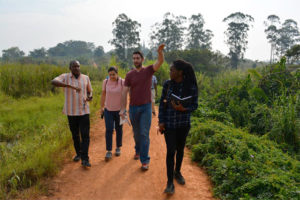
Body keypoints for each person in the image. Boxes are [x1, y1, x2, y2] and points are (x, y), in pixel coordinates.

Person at [120, 44, 165, 171]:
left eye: (138, 58)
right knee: (136, 133)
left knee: (144, 133)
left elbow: (160, 61)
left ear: (142, 59)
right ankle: (138, 150)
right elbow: (124, 92)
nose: (135, 60)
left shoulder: (149, 70)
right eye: (134, 58)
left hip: (146, 107)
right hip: (133, 108)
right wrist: (122, 109)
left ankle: (144, 160)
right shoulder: (129, 75)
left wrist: (160, 52)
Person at [158, 60, 198, 194]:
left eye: (172, 70)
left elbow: (195, 106)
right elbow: (162, 103)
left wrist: (183, 108)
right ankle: (169, 183)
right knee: (170, 151)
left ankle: (178, 172)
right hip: (169, 125)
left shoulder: (191, 86)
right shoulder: (167, 85)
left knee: (180, 149)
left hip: (183, 124)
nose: (170, 72)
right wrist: (161, 121)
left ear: (180, 72)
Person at [51, 60, 93, 167]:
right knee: (75, 135)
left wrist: (90, 96)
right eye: (74, 67)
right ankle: (78, 154)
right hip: (71, 112)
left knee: (85, 135)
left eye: (78, 66)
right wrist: (69, 86)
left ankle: (85, 158)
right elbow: (53, 81)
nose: (77, 68)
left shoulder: (85, 78)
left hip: (84, 111)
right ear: (70, 68)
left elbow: (89, 91)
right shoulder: (65, 77)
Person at [100, 66, 124, 161]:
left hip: (120, 110)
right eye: (110, 75)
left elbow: (126, 94)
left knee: (119, 129)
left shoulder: (122, 82)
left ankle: (118, 147)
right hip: (108, 110)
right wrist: (101, 107)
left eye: (113, 74)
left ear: (117, 73)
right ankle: (109, 150)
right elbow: (103, 94)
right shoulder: (105, 82)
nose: (112, 76)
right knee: (109, 129)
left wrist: (125, 108)